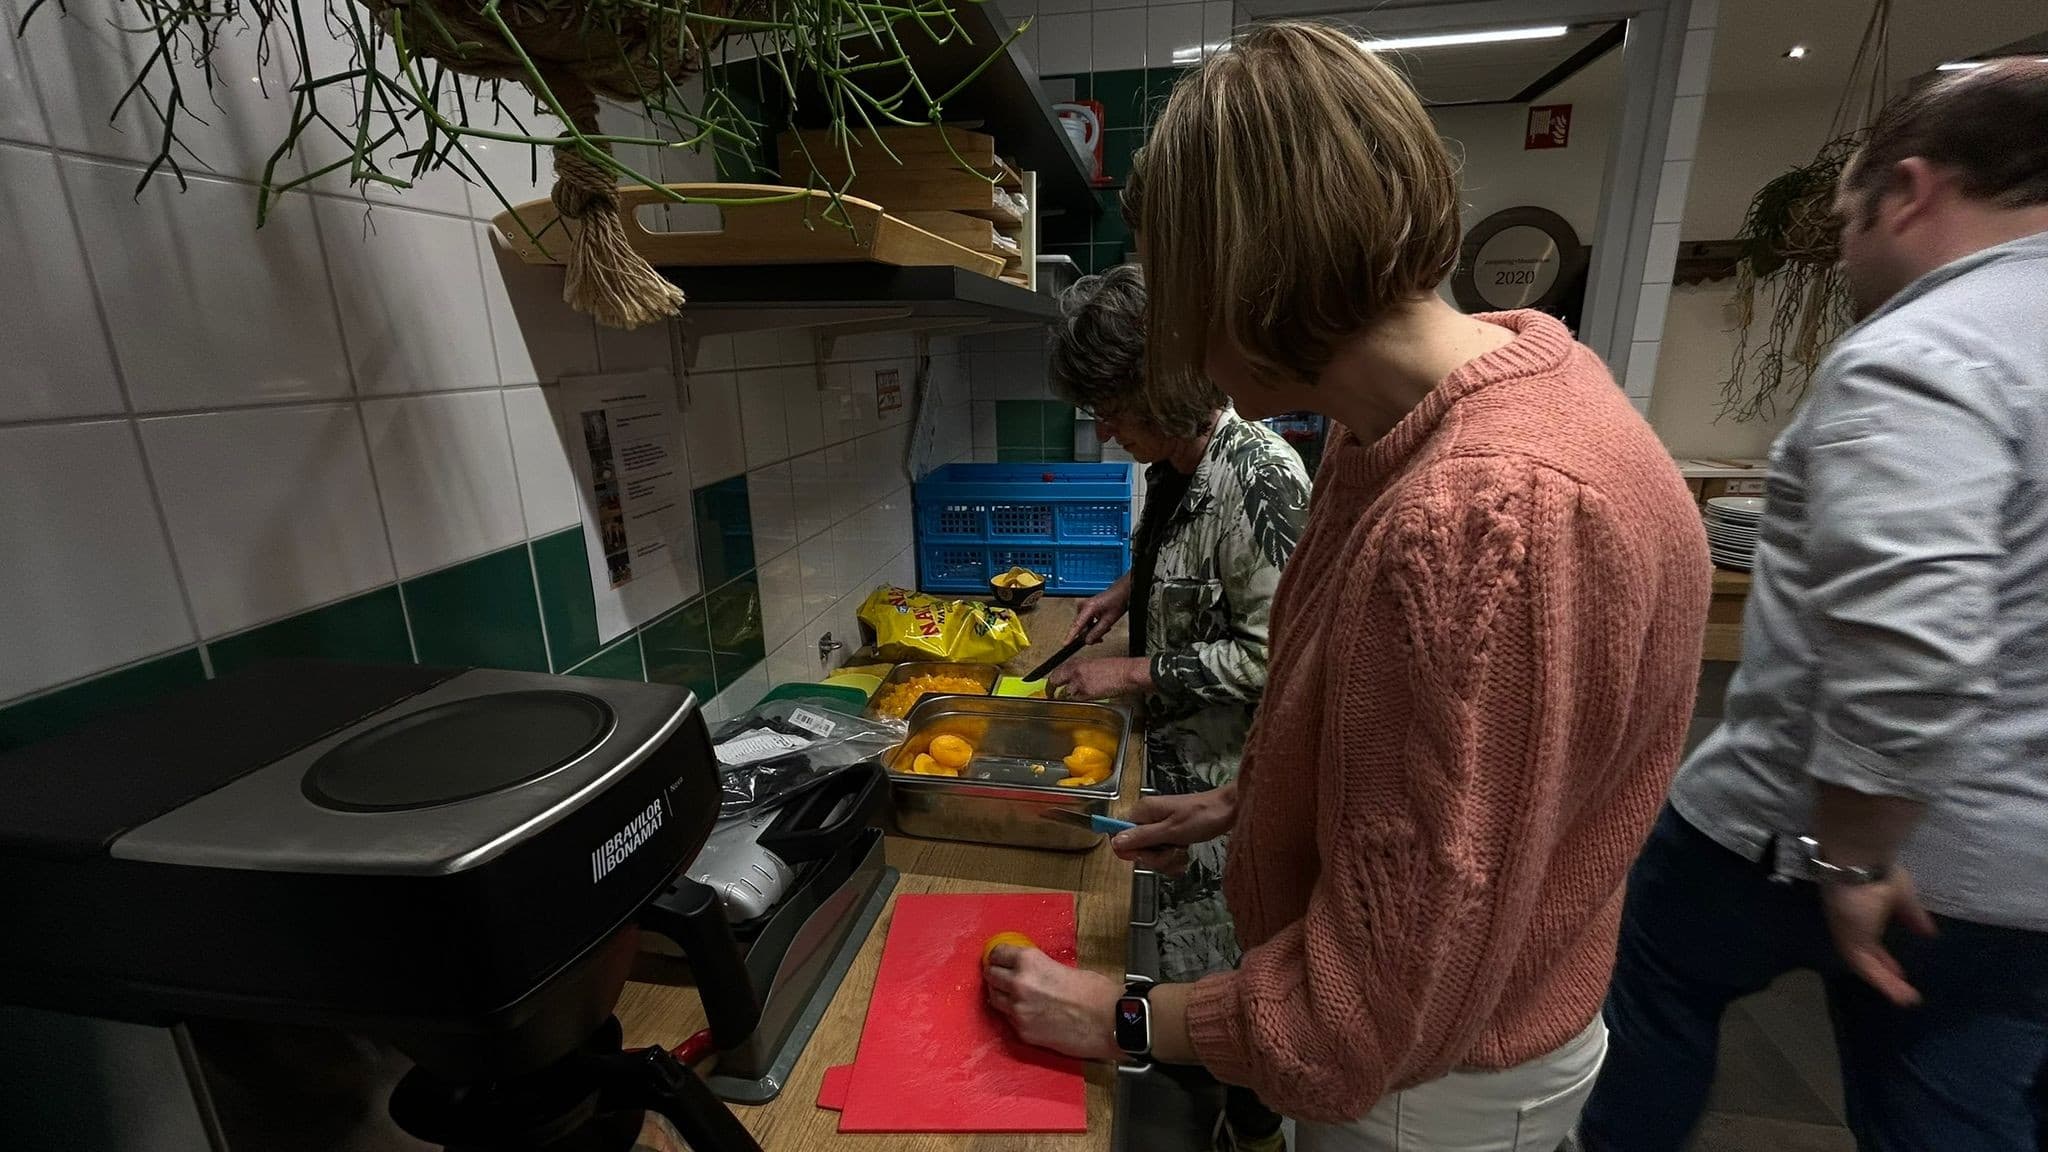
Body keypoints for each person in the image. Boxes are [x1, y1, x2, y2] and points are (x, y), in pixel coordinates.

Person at [982, 22, 1709, 1152]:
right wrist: (1254, 802)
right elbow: (1445, 768)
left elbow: (1361, 1017)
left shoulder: (1482, 519)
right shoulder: (1444, 418)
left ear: (1242, 282)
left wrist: (1118, 1016)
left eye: (1178, 294)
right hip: (1443, 1038)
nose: (1179, 350)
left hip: (1427, 1088)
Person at [1577, 60, 2048, 1152]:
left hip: (1828, 835)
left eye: (1844, 220)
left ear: (1909, 192)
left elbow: (1909, 636)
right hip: (2020, 875)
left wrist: (1857, 855)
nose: (1841, 253)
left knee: (1648, 997)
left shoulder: (1925, 354)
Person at [1043, 262, 1311, 1152]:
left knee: (1229, 992)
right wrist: (1130, 590)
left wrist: (1131, 671)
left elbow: (1275, 657)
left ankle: (1252, 1130)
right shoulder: (1175, 465)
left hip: (1230, 797)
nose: (1103, 427)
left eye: (1111, 407)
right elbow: (1204, 569)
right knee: (1191, 977)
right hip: (1176, 777)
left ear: (1161, 388)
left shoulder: (1261, 479)